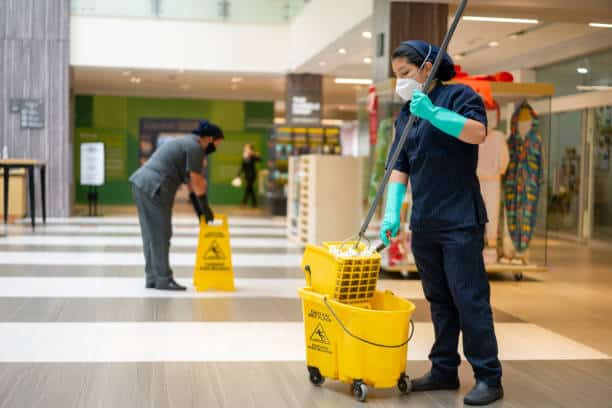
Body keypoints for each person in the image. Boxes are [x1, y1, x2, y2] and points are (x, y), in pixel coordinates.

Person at [380, 40, 503, 405]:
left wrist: (434, 113)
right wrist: (392, 212)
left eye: (405, 73)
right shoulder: (406, 114)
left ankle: (488, 377)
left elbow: (476, 133)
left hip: (460, 219)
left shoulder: (459, 96)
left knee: (470, 298)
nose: (401, 82)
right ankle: (444, 369)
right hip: (426, 222)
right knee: (438, 300)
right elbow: (400, 167)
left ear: (428, 67)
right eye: (396, 76)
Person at [129, 120, 224, 291]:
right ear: (209, 139)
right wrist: (206, 210)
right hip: (155, 186)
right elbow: (197, 181)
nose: (216, 148)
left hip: (141, 183)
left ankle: (153, 278)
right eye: (217, 144)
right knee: (161, 233)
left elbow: (190, 184)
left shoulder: (187, 143)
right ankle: (164, 279)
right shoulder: (196, 148)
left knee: (151, 234)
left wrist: (199, 211)